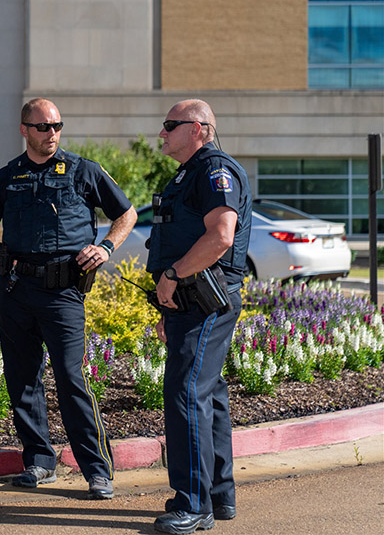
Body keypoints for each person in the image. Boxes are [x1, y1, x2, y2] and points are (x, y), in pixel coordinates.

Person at [0, 97, 138, 500]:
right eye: (43, 127)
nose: (52, 134)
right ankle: (39, 462)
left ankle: (97, 470)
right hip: (14, 290)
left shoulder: (83, 171)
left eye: (57, 126)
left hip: (62, 293)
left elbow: (125, 214)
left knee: (71, 379)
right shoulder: (8, 177)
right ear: (24, 130)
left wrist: (107, 247)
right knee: (21, 379)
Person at [146, 99, 251, 534]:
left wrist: (171, 275)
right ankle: (219, 497)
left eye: (172, 124)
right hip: (188, 303)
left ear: (200, 129)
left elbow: (221, 236)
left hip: (206, 298)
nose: (162, 132)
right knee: (209, 394)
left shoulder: (214, 170)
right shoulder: (189, 173)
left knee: (186, 391)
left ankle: (194, 504)